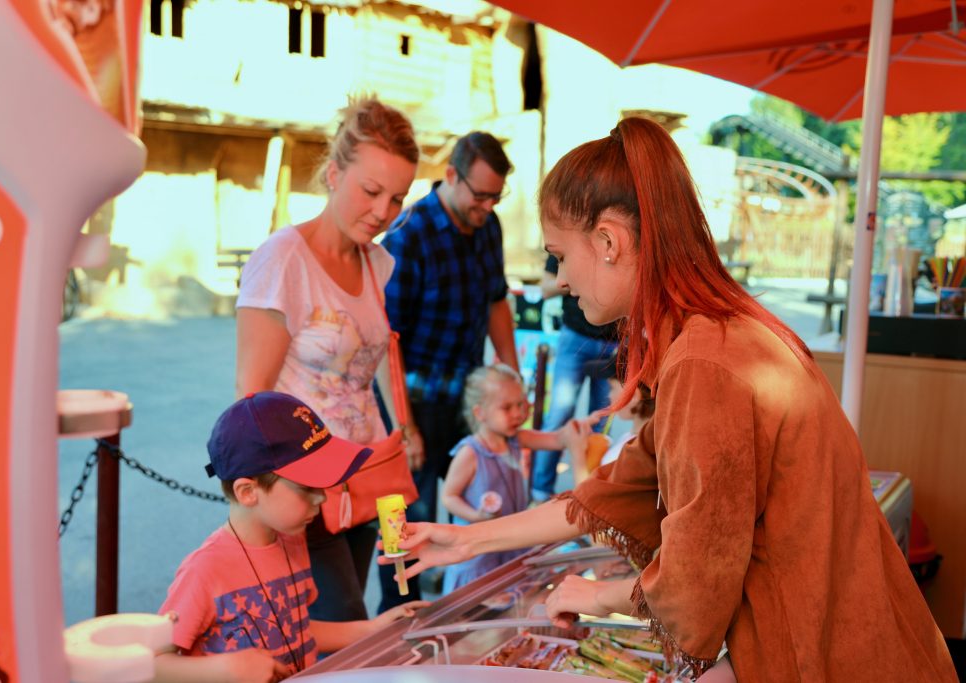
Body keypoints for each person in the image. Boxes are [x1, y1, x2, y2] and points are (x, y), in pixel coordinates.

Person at [381, 116, 958, 681]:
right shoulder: (716, 336)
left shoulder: (705, 364)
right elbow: (613, 491)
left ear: (608, 241)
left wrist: (595, 595)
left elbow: (694, 580)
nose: (558, 278)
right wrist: (464, 539)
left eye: (559, 255)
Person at [235, 97, 425, 623]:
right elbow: (251, 398)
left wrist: (404, 429)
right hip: (306, 486)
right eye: (371, 191)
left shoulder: (378, 261)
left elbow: (377, 360)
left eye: (398, 198)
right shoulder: (283, 259)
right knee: (347, 626)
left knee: (391, 595)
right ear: (334, 174)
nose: (384, 212)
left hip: (371, 475)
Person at [155, 392, 427, 682]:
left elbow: (299, 629)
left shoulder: (293, 540)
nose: (321, 498)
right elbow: (152, 664)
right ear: (247, 492)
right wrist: (225, 669)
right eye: (307, 488)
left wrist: (374, 628)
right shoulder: (204, 570)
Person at [379, 131, 517, 607]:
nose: (487, 206)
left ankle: (463, 596)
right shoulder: (407, 234)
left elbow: (498, 301)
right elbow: (386, 340)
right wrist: (404, 426)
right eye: (480, 195)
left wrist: (511, 379)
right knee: (407, 517)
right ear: (452, 176)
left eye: (496, 196)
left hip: (466, 397)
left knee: (474, 500)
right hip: (412, 401)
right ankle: (402, 614)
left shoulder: (489, 225)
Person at [440, 364, 588, 591]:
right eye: (507, 407)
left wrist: (578, 427)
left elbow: (557, 439)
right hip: (479, 552)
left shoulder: (517, 439)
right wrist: (477, 516)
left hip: (511, 543)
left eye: (521, 404)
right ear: (480, 413)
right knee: (479, 608)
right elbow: (449, 496)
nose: (518, 413)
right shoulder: (470, 453)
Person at [532, 253, 619, 502]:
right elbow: (546, 287)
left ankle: (592, 493)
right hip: (575, 335)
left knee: (603, 420)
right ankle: (540, 490)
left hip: (613, 340)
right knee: (560, 413)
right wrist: (577, 278)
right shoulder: (569, 241)